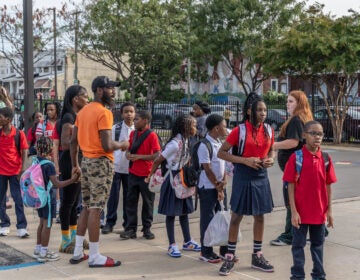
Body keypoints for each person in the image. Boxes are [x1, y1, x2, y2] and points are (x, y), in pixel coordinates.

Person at [69, 76, 129, 267]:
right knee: (96, 208)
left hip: (86, 161)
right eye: (110, 88)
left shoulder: (83, 112)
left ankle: (78, 251)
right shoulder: (104, 112)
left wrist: (75, 165)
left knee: (86, 207)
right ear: (100, 90)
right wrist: (123, 144)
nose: (113, 92)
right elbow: (107, 144)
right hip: (100, 163)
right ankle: (94, 255)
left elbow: (72, 142)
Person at [217, 92, 275, 276]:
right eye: (259, 110)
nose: (263, 113)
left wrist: (270, 160)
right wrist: (244, 160)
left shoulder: (269, 130)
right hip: (243, 173)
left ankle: (257, 255)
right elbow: (222, 153)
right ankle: (230, 256)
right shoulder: (239, 130)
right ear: (250, 111)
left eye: (265, 110)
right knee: (236, 216)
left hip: (261, 175)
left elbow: (271, 150)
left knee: (260, 216)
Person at [284, 121, 337, 280]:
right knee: (298, 246)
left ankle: (319, 275)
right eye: (313, 133)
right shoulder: (296, 158)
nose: (317, 137)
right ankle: (297, 275)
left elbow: (328, 186)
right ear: (304, 135)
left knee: (318, 246)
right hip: (300, 214)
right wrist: (293, 211)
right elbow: (290, 186)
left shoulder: (326, 158)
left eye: (320, 134)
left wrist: (329, 211)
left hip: (319, 213)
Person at [145, 114, 201, 258]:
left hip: (182, 180)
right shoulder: (175, 144)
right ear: (185, 127)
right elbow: (158, 160)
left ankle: (187, 241)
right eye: (193, 125)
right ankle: (172, 244)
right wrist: (150, 175)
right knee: (171, 213)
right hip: (172, 180)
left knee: (184, 212)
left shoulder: (187, 140)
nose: (195, 127)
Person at [270, 90, 314, 246]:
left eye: (291, 101)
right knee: (303, 200)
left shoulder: (296, 119)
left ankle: (289, 235)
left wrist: (272, 145)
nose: (287, 104)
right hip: (300, 167)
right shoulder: (304, 118)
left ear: (299, 103)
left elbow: (293, 142)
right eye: (287, 101)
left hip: (294, 168)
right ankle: (319, 231)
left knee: (291, 201)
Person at [33, 136, 81, 262]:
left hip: (39, 197)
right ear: (50, 149)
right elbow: (56, 184)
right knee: (47, 225)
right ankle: (44, 252)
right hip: (48, 198)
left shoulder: (36, 161)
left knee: (41, 223)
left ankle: (38, 249)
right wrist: (72, 180)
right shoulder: (49, 165)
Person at [58, 85, 89, 253]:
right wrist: (75, 164)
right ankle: (64, 241)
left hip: (77, 160)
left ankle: (74, 237)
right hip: (71, 162)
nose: (87, 99)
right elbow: (65, 142)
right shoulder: (69, 116)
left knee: (74, 202)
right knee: (68, 202)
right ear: (75, 99)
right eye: (85, 96)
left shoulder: (76, 116)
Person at [120, 110, 160, 240]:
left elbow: (156, 155)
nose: (134, 121)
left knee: (148, 203)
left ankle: (147, 229)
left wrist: (140, 157)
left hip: (146, 175)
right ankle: (131, 229)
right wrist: (128, 154)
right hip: (133, 173)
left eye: (137, 119)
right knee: (131, 202)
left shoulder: (152, 135)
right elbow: (129, 149)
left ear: (145, 121)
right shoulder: (133, 134)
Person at [197, 114, 228, 263]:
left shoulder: (220, 143)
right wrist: (218, 187)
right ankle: (206, 251)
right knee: (208, 220)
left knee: (222, 217)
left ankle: (224, 249)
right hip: (209, 187)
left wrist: (224, 182)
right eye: (224, 125)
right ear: (216, 128)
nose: (226, 128)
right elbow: (208, 169)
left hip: (219, 186)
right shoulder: (205, 145)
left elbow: (224, 165)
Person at [102, 102, 135, 234]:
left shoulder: (137, 130)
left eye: (131, 111)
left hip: (130, 169)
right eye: (126, 111)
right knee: (113, 197)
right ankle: (110, 222)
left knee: (128, 198)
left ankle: (127, 224)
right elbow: (109, 147)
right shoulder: (115, 128)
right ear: (121, 113)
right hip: (116, 167)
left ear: (135, 113)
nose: (129, 114)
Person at [0, 107, 29, 237]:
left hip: (15, 172)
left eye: (1, 117)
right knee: (0, 200)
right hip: (1, 172)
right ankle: (4, 224)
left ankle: (21, 227)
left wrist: (22, 169)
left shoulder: (19, 134)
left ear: (9, 119)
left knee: (18, 199)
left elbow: (24, 151)